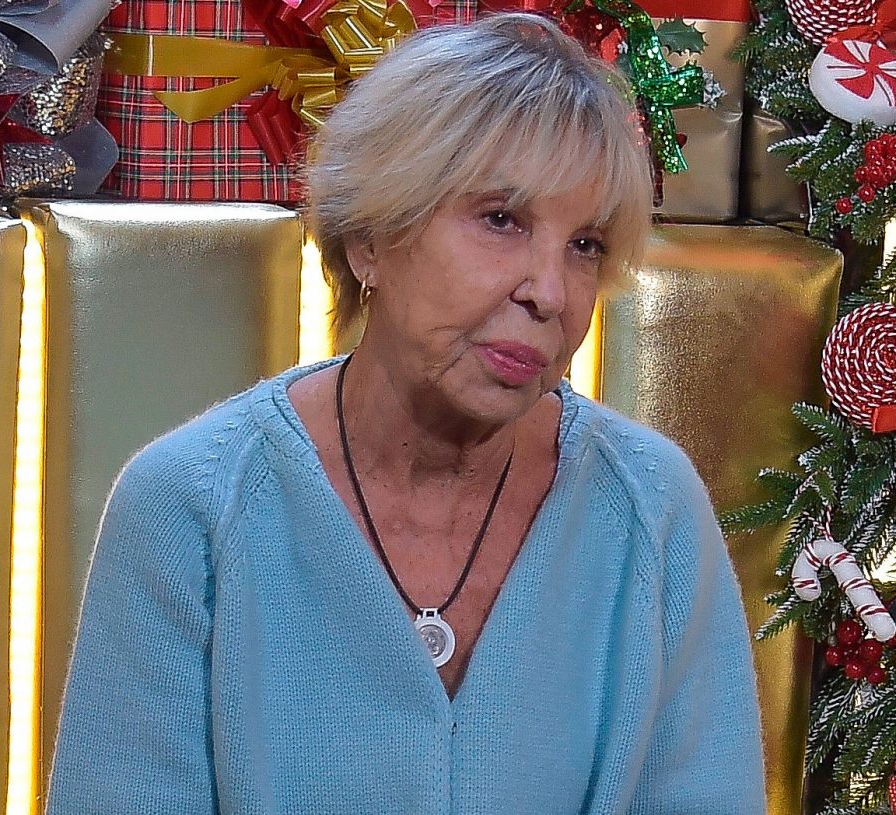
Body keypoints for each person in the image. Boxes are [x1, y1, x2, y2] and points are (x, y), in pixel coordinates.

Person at [47, 12, 765, 813]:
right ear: (371, 238)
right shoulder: (188, 507)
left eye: (585, 245)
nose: (550, 292)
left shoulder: (654, 510)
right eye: (501, 219)